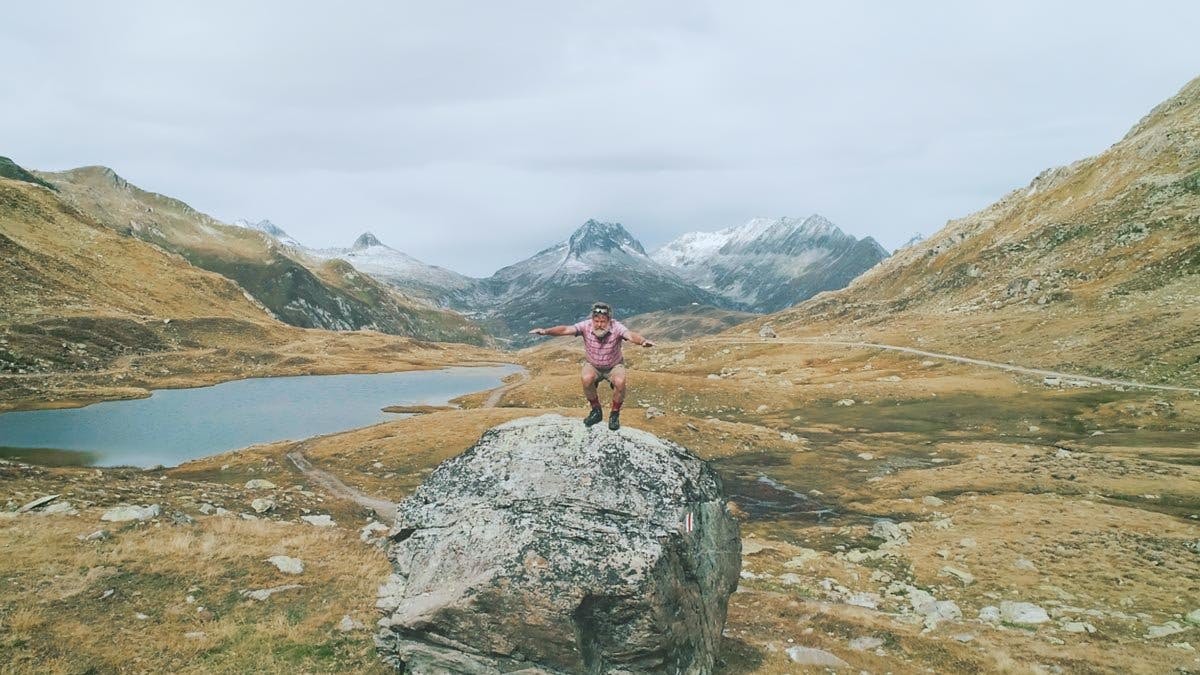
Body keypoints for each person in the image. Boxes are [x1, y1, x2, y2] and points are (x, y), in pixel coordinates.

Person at [528, 301, 654, 430]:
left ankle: (614, 415)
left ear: (609, 320)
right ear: (592, 319)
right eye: (596, 321)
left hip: (614, 365)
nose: (599, 325)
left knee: (620, 382)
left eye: (603, 321)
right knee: (586, 379)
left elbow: (630, 335)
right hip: (593, 364)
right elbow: (565, 329)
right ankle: (596, 411)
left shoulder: (617, 327)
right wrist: (545, 331)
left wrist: (642, 341)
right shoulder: (585, 326)